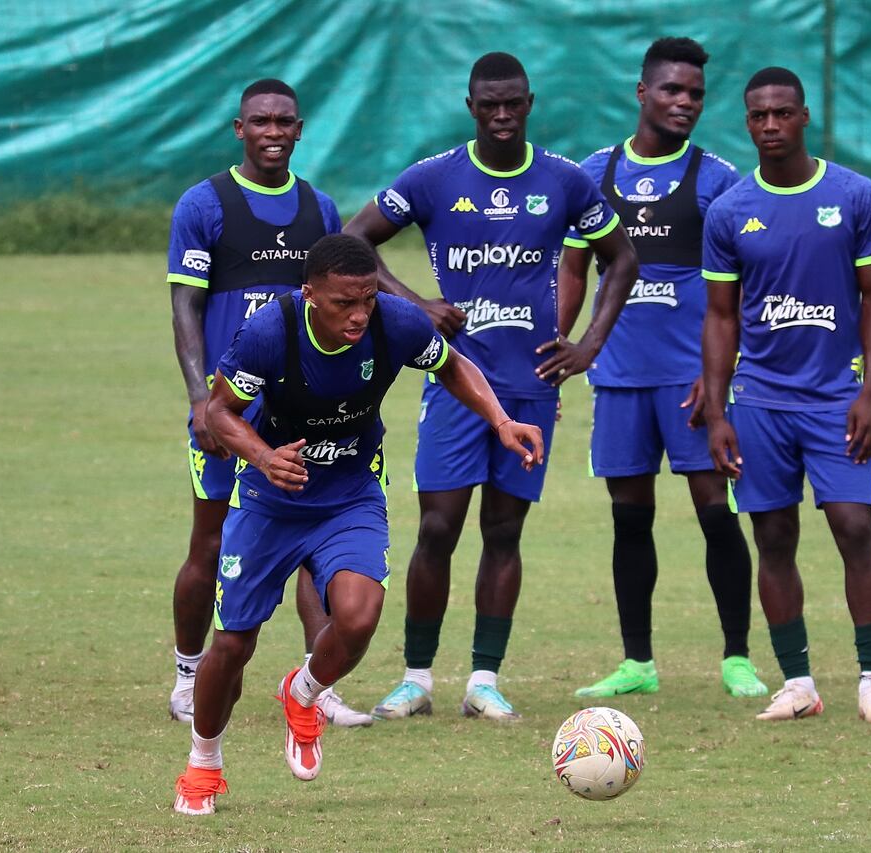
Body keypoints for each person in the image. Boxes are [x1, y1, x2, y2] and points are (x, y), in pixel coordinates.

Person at [171, 234, 544, 815]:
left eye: (367, 298)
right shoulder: (271, 332)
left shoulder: (395, 323)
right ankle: (204, 765)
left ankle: (303, 694)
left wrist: (500, 420)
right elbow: (219, 412)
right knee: (234, 642)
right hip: (271, 500)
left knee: (359, 616)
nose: (359, 314)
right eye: (345, 302)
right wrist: (265, 457)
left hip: (350, 493)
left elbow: (451, 366)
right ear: (310, 293)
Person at [343, 52, 638, 721]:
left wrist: (589, 344)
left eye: (513, 104)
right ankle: (416, 678)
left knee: (505, 530)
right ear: (471, 106)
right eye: (489, 105)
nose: (502, 116)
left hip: (531, 384)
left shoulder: (562, 181)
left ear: (529, 103)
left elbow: (622, 258)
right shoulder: (434, 177)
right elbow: (354, 239)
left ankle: (484, 678)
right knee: (438, 527)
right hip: (452, 382)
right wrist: (417, 304)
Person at [558, 38, 768, 701]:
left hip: (692, 380)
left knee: (715, 509)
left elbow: (740, 289)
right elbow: (571, 268)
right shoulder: (593, 172)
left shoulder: (718, 179)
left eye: (696, 94)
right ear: (642, 93)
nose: (685, 103)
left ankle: (737, 656)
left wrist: (721, 374)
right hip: (619, 376)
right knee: (630, 515)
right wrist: (557, 345)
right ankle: (637, 661)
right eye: (673, 90)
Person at [165, 78, 374, 728]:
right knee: (208, 543)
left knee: (318, 545)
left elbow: (342, 311)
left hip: (302, 417)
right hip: (228, 413)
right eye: (261, 121)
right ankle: (187, 671)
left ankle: (318, 683)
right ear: (239, 128)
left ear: (300, 128)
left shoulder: (320, 210)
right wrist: (203, 399)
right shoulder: (206, 204)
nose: (274, 132)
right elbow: (186, 305)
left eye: (285, 122)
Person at [701, 67, 871, 725]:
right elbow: (721, 316)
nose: (770, 126)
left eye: (782, 114)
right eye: (758, 116)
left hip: (834, 398)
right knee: (774, 536)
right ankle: (798, 682)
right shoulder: (730, 210)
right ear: (747, 121)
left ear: (804, 116)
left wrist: (869, 393)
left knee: (854, 524)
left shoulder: (854, 196)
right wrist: (720, 411)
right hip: (759, 402)